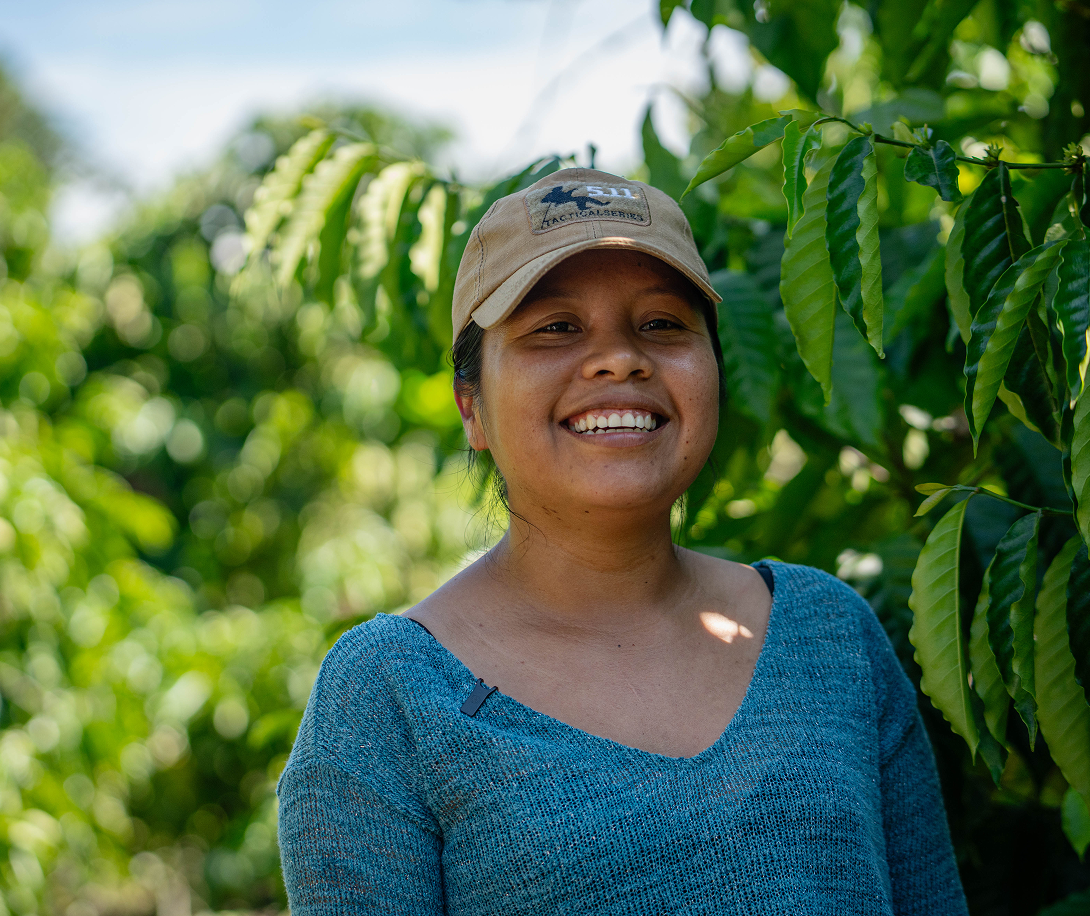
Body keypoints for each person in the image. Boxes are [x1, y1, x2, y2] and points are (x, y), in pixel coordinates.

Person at [276, 168, 968, 915]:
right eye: (555, 327)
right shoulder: (387, 698)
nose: (621, 359)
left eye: (662, 324)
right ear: (471, 408)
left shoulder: (829, 634)